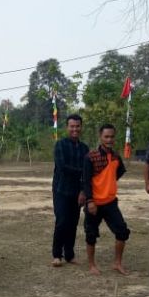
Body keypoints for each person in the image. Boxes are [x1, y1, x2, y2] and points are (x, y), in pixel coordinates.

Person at [82, 124, 130, 275]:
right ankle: (91, 265)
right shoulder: (91, 156)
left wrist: (108, 182)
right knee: (91, 234)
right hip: (94, 204)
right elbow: (86, 180)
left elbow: (120, 171)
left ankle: (117, 263)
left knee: (122, 231)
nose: (109, 139)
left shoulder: (116, 156)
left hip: (110, 202)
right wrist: (89, 201)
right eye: (106, 137)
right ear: (100, 137)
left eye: (112, 137)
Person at [50, 114, 89, 266]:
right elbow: (62, 167)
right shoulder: (60, 145)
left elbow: (87, 174)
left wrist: (83, 191)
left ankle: (69, 254)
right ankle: (57, 255)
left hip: (77, 192)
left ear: (81, 127)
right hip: (61, 190)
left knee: (73, 223)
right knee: (62, 221)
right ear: (67, 127)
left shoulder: (85, 148)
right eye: (72, 126)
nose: (75, 129)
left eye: (77, 126)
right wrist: (82, 171)